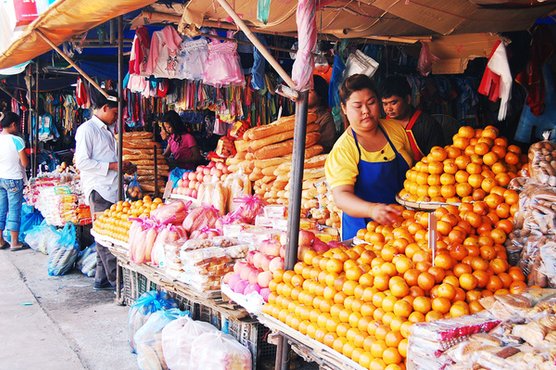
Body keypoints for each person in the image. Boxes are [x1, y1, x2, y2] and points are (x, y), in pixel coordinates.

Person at [325, 74, 414, 240]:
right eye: (357, 106)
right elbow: (341, 197)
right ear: (344, 108)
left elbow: (411, 172)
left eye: (371, 103)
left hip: (402, 227)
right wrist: (372, 210)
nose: (366, 111)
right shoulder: (344, 149)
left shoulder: (395, 130)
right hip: (363, 233)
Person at [75, 90, 133, 290]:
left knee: (106, 233)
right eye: (115, 113)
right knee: (105, 236)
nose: (117, 117)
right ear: (105, 108)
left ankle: (101, 278)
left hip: (112, 187)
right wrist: (114, 166)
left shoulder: (107, 130)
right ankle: (117, 282)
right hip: (99, 190)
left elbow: (109, 158)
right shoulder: (87, 130)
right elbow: (82, 162)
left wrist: (122, 168)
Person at [380, 75, 445, 161]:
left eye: (393, 103)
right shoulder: (381, 125)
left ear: (408, 99)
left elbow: (437, 161)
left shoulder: (428, 125)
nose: (388, 109)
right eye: (385, 104)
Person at [0, 112, 28, 251]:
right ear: (12, 125)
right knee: (14, 210)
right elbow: (24, 163)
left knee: (1, 208)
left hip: (0, 177)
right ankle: (14, 242)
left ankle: (0, 241)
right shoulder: (17, 140)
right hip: (14, 178)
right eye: (17, 125)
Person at [308, 75, 337, 153]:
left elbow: (326, 147)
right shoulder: (299, 115)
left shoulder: (325, 117)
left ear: (319, 95)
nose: (305, 94)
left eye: (309, 91)